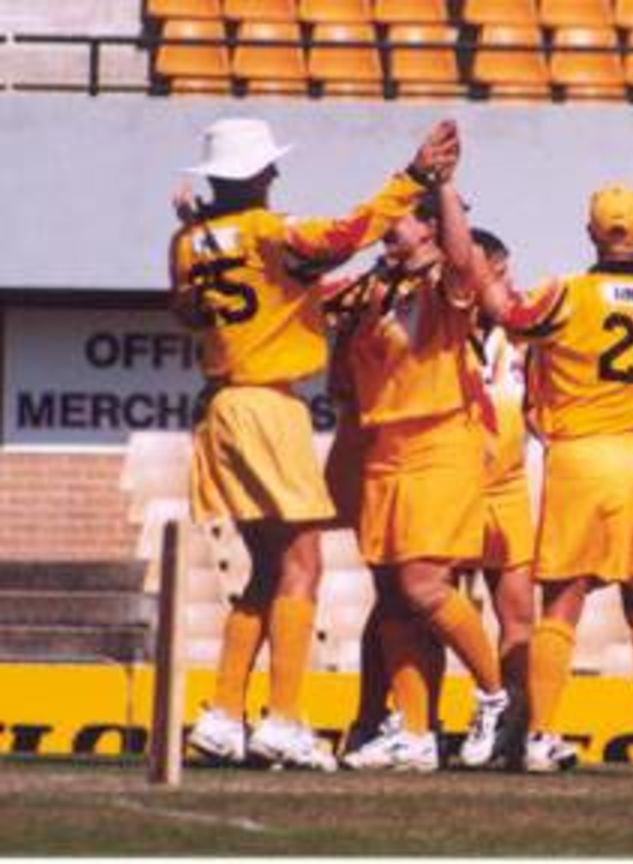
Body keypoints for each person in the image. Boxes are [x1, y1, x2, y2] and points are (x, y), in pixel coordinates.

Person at [171, 116, 458, 770]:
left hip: (220, 405)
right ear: (255, 176)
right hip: (269, 406)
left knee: (267, 570)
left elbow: (186, 313)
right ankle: (284, 719)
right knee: (303, 566)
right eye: (268, 168)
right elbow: (349, 234)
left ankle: (222, 713)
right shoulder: (273, 232)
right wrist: (410, 178)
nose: (276, 175)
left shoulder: (187, 243)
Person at [476, 185, 633, 775]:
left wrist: (472, 259)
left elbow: (508, 314)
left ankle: (541, 735)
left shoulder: (568, 291)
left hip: (582, 458)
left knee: (560, 605)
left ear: (591, 232)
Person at [334, 158, 510, 773]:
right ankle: (414, 730)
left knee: (422, 585)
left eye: (400, 222)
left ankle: (495, 695)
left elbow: (466, 264)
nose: (389, 229)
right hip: (384, 451)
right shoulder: (376, 287)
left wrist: (444, 187)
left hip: (440, 445)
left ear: (431, 229)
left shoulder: (445, 283)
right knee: (393, 595)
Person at [465, 227, 537, 766]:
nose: (510, 282)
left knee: (517, 615)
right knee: (433, 604)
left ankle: (515, 729)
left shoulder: (523, 333)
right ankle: (417, 724)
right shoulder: (442, 327)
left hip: (509, 484)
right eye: (500, 271)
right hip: (451, 482)